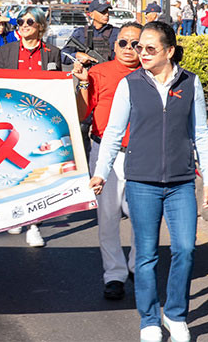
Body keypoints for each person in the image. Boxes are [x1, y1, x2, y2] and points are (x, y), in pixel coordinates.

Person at [90, 21, 208, 342]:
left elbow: (200, 133)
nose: (140, 53)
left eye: (149, 48)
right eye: (136, 47)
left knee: (185, 249)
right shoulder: (130, 84)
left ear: (169, 51)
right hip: (141, 181)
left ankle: (175, 316)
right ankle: (149, 319)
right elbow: (114, 133)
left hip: (180, 182)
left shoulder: (190, 83)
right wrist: (101, 172)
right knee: (145, 255)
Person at [72, 22, 142, 301]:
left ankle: (139, 265)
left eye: (135, 43)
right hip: (104, 153)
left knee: (141, 215)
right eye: (123, 43)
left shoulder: (152, 74)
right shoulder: (99, 73)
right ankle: (114, 274)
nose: (128, 49)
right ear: (114, 46)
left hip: (141, 153)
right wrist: (82, 82)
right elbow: (81, 113)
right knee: (108, 216)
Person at [0, 7, 61, 247]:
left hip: (40, 122)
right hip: (11, 120)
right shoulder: (6, 51)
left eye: (29, 21)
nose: (23, 25)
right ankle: (15, 214)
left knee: (38, 172)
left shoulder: (53, 53)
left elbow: (57, 88)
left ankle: (34, 224)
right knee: (13, 169)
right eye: (20, 21)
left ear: (40, 26)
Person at [63, 0, 118, 65]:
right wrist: (76, 55)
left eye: (107, 11)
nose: (106, 14)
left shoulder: (116, 33)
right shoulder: (81, 33)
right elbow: (63, 55)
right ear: (91, 14)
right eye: (102, 12)